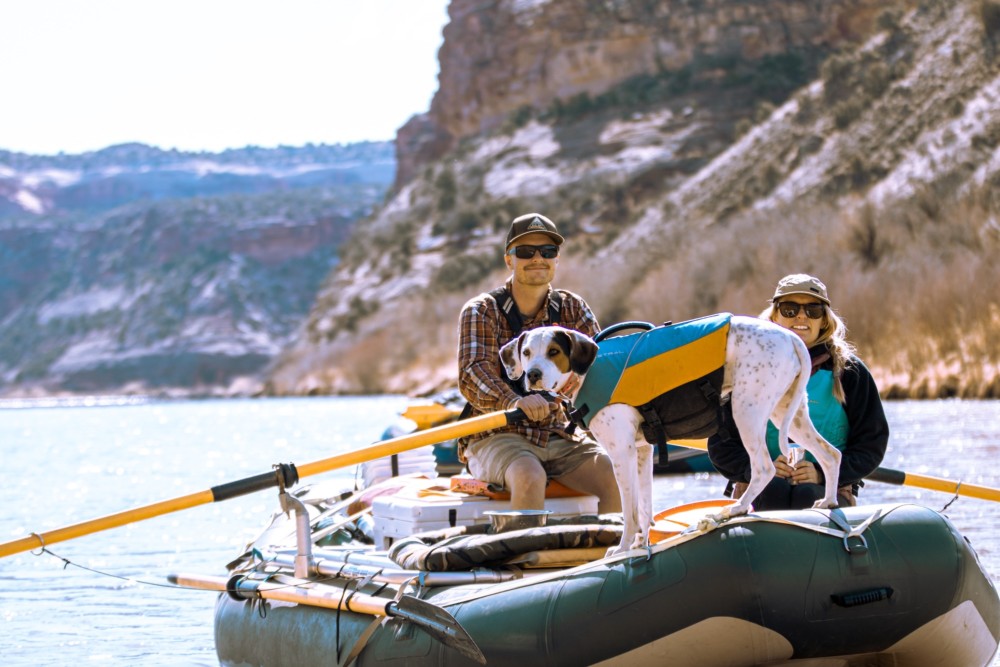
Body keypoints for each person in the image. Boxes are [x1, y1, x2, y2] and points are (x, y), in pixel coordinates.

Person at [457, 213, 621, 513]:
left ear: (556, 259)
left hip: (559, 432)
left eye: (547, 251)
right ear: (509, 260)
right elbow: (472, 373)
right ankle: (525, 544)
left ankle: (617, 543)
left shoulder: (572, 307)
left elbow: (602, 365)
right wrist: (514, 402)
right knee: (529, 476)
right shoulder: (481, 310)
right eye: (525, 251)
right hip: (495, 435)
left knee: (614, 473)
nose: (537, 259)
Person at [708, 274, 889, 509]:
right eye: (790, 309)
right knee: (773, 490)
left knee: (807, 494)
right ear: (775, 316)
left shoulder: (850, 372)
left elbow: (871, 444)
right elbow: (721, 446)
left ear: (824, 320)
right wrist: (753, 469)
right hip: (760, 489)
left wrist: (820, 473)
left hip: (826, 488)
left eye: (813, 310)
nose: (801, 316)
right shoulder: (747, 369)